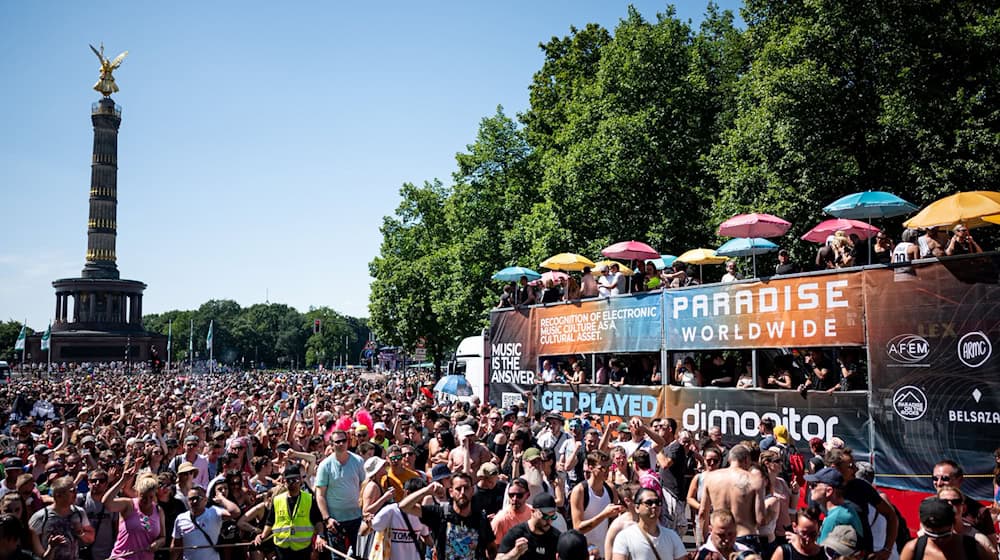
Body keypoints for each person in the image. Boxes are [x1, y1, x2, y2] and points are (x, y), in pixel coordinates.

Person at [398, 472, 497, 560]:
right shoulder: (440, 513)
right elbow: (404, 506)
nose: (462, 493)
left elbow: (491, 548)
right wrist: (426, 491)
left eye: (466, 488)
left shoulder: (480, 518)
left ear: (472, 491)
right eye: (458, 489)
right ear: (451, 492)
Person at [699, 445, 766, 554]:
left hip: (719, 536)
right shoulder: (755, 480)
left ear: (730, 459)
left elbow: (702, 513)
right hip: (745, 536)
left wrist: (706, 538)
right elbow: (761, 520)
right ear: (746, 460)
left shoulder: (710, 477)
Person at [252, 464, 324, 560]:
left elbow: (318, 521)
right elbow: (270, 522)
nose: (293, 483)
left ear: (301, 481)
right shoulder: (277, 500)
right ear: (284, 481)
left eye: (295, 479)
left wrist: (320, 535)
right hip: (282, 548)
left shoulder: (309, 499)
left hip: (302, 548)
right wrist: (262, 535)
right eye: (289, 480)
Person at [315, 429, 364, 554]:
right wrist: (327, 519)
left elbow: (364, 486)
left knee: (360, 554)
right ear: (331, 444)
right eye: (337, 442)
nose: (341, 444)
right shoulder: (325, 465)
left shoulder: (358, 461)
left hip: (357, 518)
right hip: (335, 520)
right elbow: (320, 494)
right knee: (337, 557)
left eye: (344, 441)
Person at [360, 477, 430, 560]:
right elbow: (364, 531)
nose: (423, 500)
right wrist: (368, 521)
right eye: (419, 496)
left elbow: (426, 537)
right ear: (407, 493)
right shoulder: (391, 511)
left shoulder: (422, 514)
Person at [900, 497, 992, 560]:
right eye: (932, 536)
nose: (940, 541)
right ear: (922, 525)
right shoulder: (913, 549)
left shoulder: (973, 548)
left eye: (944, 535)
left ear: (953, 524)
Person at [102, 472, 167, 560]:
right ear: (137, 492)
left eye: (151, 497)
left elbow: (163, 537)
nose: (147, 501)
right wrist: (123, 480)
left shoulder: (159, 511)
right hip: (122, 557)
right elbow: (107, 503)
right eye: (143, 497)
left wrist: (158, 543)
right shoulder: (128, 505)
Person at [27, 477, 94, 560]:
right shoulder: (41, 516)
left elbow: (91, 538)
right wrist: (50, 549)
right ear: (58, 495)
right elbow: (35, 550)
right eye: (72, 491)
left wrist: (81, 533)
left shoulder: (79, 512)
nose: (76, 493)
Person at [610, 487, 687, 560]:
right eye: (649, 503)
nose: (654, 506)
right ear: (637, 508)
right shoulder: (624, 537)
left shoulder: (672, 536)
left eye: (657, 502)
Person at [570, 451, 622, 557]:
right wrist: (604, 515)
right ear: (590, 468)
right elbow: (578, 527)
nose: (606, 471)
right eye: (602, 468)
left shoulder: (611, 489)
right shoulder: (580, 491)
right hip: (585, 553)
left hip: (606, 552)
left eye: (609, 467)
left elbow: (614, 523)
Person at [930, 460, 995, 540]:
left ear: (960, 480)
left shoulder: (979, 511)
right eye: (935, 478)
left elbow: (991, 548)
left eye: (945, 478)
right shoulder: (928, 507)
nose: (939, 483)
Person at [171, 485, 235, 560]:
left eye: (197, 498)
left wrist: (222, 498)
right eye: (191, 499)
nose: (194, 501)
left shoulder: (214, 512)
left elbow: (235, 512)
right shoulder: (180, 518)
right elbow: (176, 546)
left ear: (205, 500)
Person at [804, 467, 863, 544]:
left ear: (829, 491)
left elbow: (822, 551)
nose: (810, 487)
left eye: (814, 485)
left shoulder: (835, 519)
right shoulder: (846, 509)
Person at [496, 493, 561, 560]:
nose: (549, 521)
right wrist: (515, 552)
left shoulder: (556, 537)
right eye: (545, 516)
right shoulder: (517, 533)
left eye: (553, 517)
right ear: (532, 511)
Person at [492, 479, 533, 547]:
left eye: (519, 495)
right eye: (511, 495)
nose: (514, 499)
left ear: (527, 495)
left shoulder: (534, 513)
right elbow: (493, 549)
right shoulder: (500, 519)